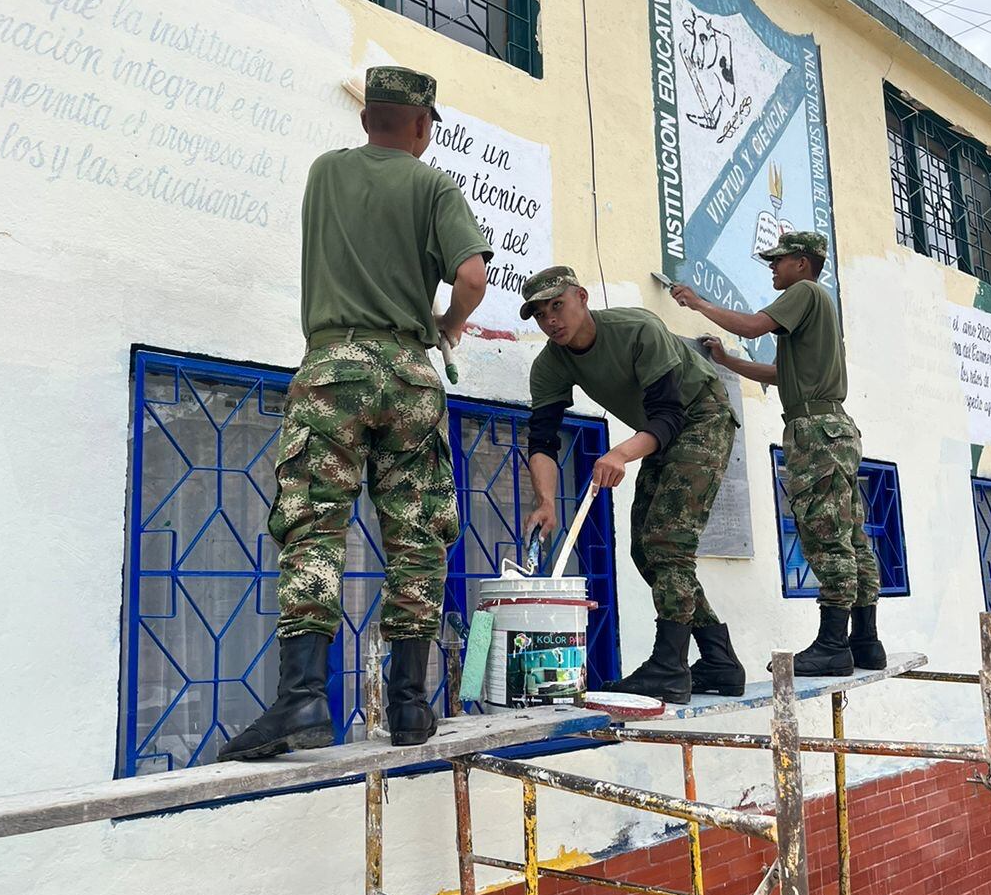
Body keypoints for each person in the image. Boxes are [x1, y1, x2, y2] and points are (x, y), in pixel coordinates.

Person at [221, 66, 491, 759]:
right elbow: (471, 277)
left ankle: (303, 701)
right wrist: (447, 326)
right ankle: (408, 706)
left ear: (368, 116)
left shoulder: (325, 173)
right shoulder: (434, 185)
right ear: (423, 125)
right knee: (416, 537)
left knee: (313, 528)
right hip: (407, 373)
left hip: (332, 367)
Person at [521, 267, 745, 704]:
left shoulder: (637, 329)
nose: (551, 320)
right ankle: (718, 659)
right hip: (658, 429)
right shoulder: (549, 364)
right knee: (646, 549)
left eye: (557, 305)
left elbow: (669, 414)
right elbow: (542, 438)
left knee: (666, 543)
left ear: (582, 297)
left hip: (701, 415)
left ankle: (669, 667)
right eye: (540, 314)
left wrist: (620, 453)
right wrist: (546, 501)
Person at [670, 230, 885, 678]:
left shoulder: (804, 292)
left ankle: (832, 645)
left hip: (814, 432)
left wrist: (698, 303)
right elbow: (779, 372)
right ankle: (865, 641)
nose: (772, 267)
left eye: (779, 260)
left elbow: (752, 326)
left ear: (803, 263)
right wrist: (728, 361)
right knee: (851, 536)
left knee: (825, 534)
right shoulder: (817, 308)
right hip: (835, 428)